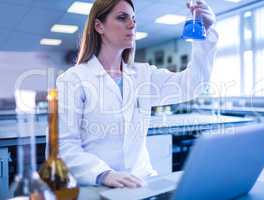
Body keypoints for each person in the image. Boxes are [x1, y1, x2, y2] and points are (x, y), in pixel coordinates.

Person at [56, 0, 218, 188]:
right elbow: (63, 148)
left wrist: (206, 34)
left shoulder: (143, 75)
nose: (132, 25)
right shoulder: (73, 79)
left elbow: (193, 85)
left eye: (133, 18)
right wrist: (103, 174)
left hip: (142, 183)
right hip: (97, 186)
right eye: (122, 18)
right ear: (99, 26)